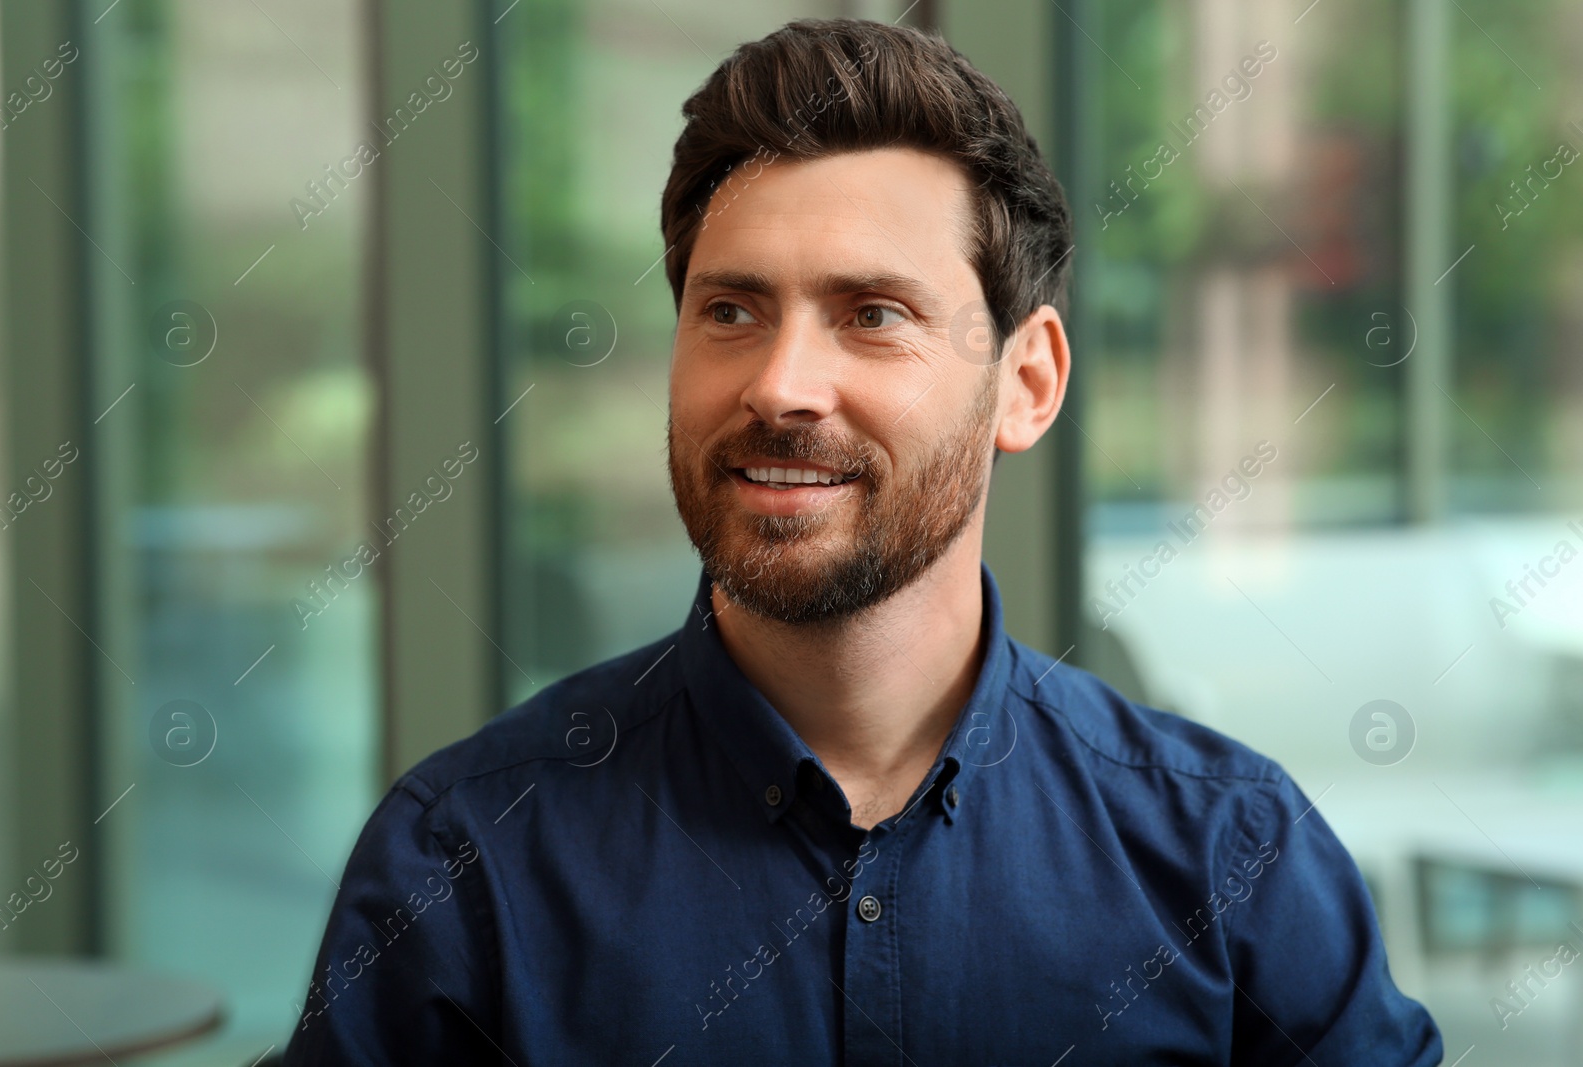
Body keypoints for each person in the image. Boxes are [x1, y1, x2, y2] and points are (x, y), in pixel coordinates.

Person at [283, 17, 1442, 1065]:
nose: (781, 385)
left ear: (1024, 383)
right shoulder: (466, 859)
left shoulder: (1234, 856)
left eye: (871, 315)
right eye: (730, 311)